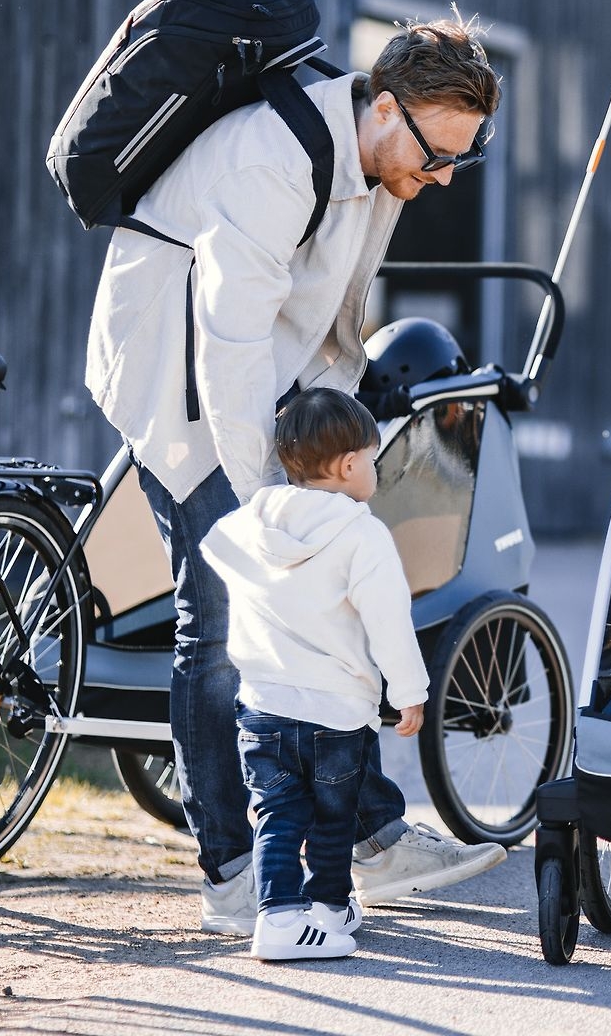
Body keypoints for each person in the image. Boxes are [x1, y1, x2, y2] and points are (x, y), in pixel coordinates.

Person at [85, 19, 507, 936]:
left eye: (459, 164)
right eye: (437, 156)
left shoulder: (385, 167)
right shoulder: (271, 159)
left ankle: (374, 842)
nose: (440, 179)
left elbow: (341, 318)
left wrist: (337, 446)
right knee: (222, 619)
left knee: (333, 595)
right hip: (177, 375)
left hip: (262, 380)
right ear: (385, 107)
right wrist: (260, 510)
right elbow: (226, 341)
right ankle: (233, 876)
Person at [200, 389, 428, 960]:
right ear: (350, 465)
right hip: (336, 714)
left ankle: (283, 912)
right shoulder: (362, 534)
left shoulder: (252, 522)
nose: (373, 470)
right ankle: (321, 910)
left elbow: (213, 546)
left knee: (278, 814)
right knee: (334, 816)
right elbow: (389, 624)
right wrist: (410, 694)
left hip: (263, 705)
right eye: (373, 459)